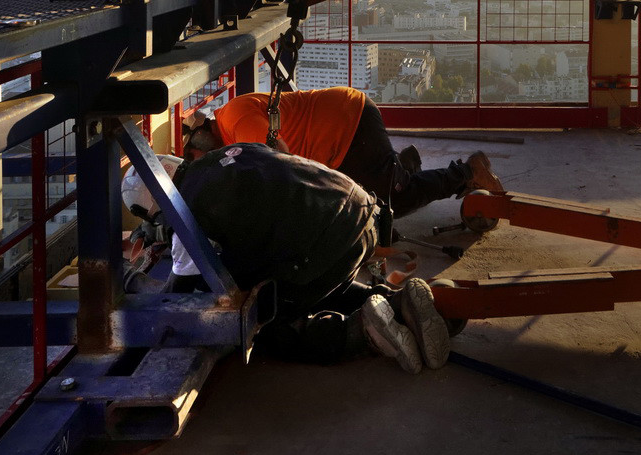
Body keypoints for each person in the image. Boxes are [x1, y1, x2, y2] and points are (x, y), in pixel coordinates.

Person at [120, 144, 451, 373]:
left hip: (326, 246)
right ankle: (396, 301)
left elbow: (177, 297)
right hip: (360, 214)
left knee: (268, 323)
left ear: (151, 209)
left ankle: (360, 332)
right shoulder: (230, 153)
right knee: (314, 282)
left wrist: (132, 281)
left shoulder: (187, 218)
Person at [204, 86, 504, 224]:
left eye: (194, 154)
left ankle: (466, 172)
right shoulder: (231, 133)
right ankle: (400, 166)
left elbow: (279, 161)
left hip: (348, 125)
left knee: (390, 204)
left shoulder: (235, 120)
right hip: (339, 138)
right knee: (364, 195)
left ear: (200, 136)